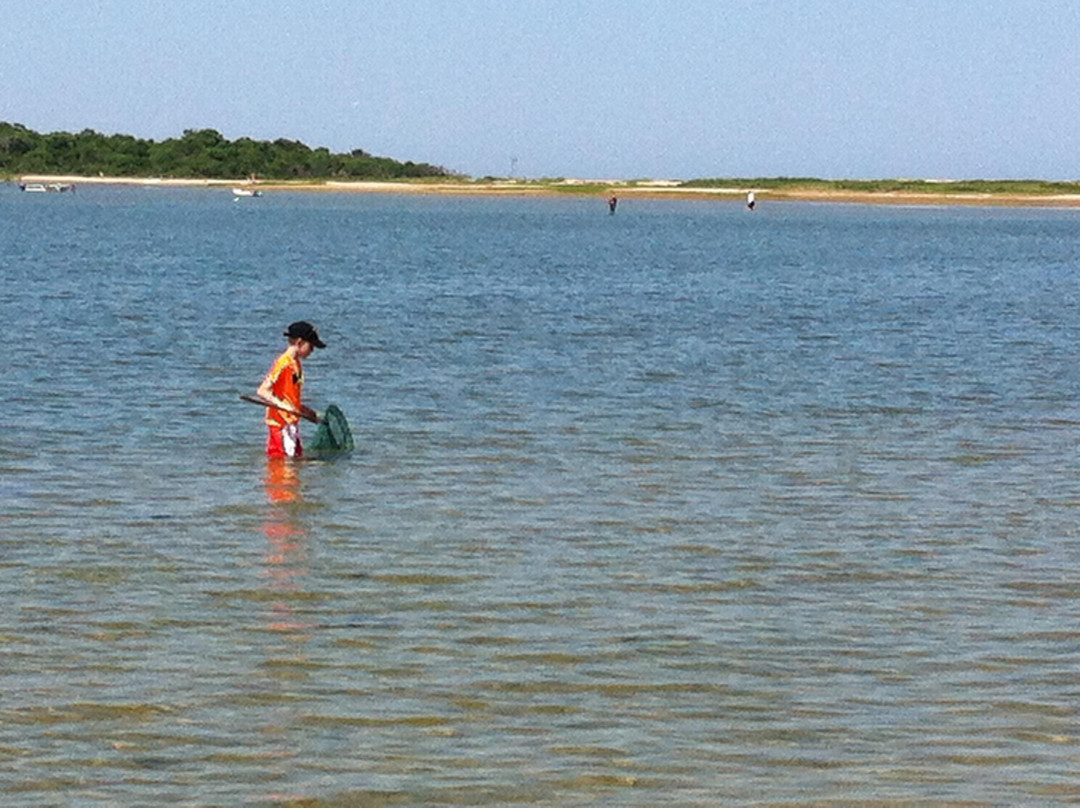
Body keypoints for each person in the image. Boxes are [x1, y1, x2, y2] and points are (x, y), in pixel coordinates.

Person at [257, 321, 325, 458]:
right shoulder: (284, 362)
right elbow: (263, 391)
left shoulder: (296, 364)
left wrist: (305, 410)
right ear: (299, 343)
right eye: (311, 346)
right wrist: (283, 406)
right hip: (280, 424)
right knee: (283, 465)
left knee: (295, 463)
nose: (312, 351)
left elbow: (289, 397)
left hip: (291, 423)